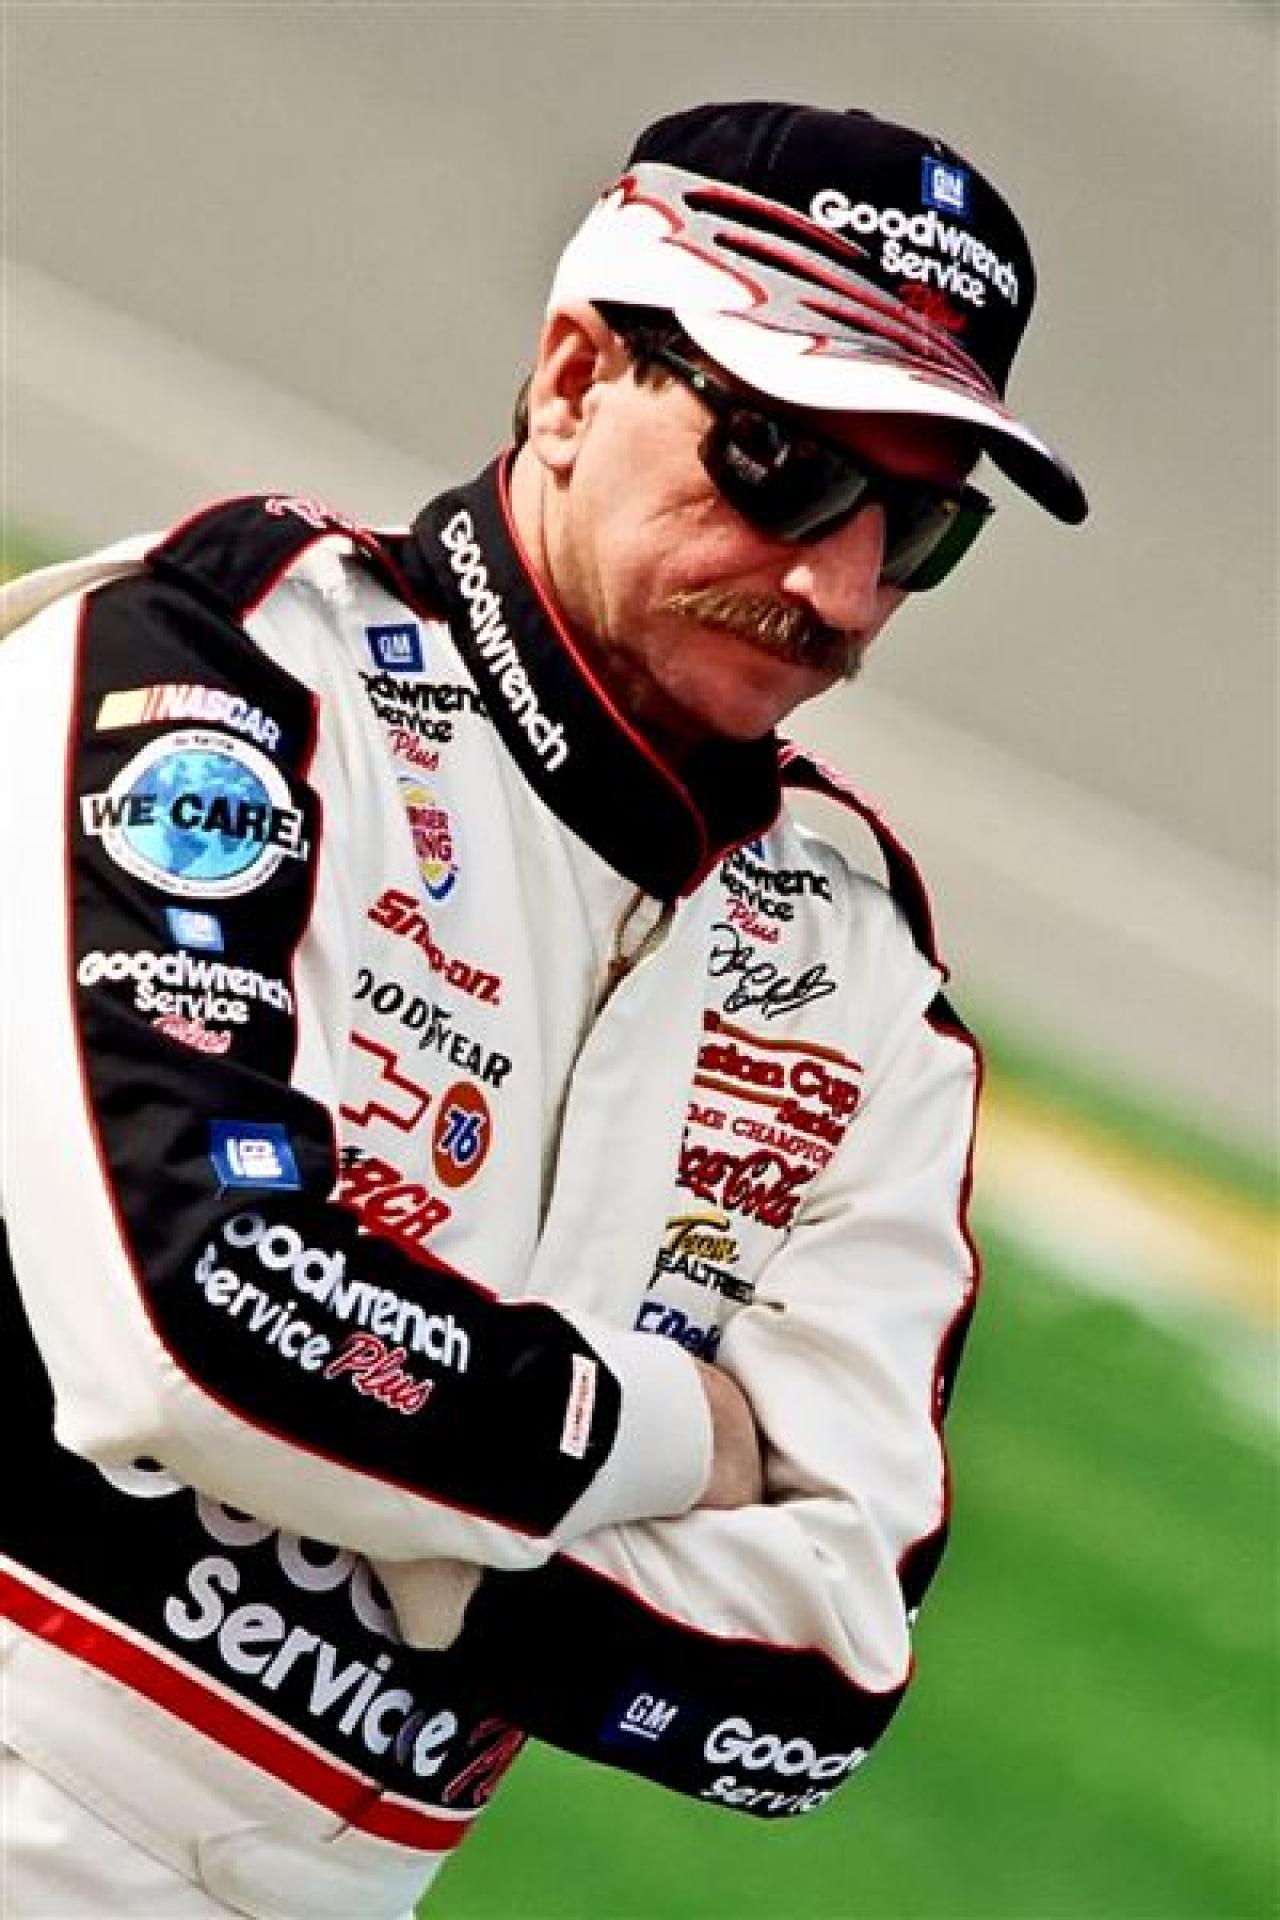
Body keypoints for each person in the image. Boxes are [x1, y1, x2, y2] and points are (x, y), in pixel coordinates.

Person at [0, 100, 1086, 1919]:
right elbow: (191, 1329)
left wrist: (445, 1555)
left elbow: (823, 1680)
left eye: (919, 526)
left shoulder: (862, 973)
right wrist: (673, 1440)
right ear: (577, 379)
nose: (839, 584)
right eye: (781, 462)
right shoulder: (226, 673)